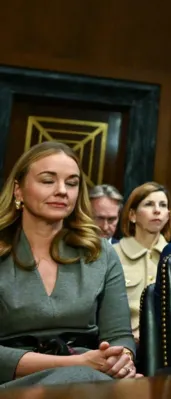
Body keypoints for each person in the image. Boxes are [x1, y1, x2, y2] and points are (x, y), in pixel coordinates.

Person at [0, 142, 138, 388]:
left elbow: (118, 336)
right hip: (13, 380)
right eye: (47, 181)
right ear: (18, 191)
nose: (62, 191)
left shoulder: (100, 251)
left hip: (92, 377)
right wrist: (77, 365)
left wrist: (121, 360)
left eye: (72, 183)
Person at [113, 182, 171, 342]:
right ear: (132, 215)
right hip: (123, 344)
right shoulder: (113, 255)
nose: (157, 210)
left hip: (165, 346)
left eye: (163, 205)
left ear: (168, 215)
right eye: (148, 204)